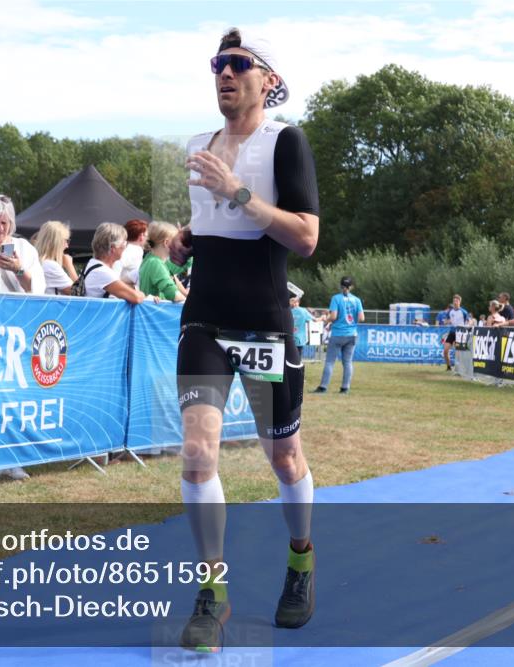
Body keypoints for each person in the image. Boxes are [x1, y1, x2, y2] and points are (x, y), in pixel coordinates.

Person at [168, 27, 320, 651]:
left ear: (266, 79)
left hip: (264, 322)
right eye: (217, 64)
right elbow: (216, 226)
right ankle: (213, 589)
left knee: (282, 457)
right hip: (204, 318)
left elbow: (305, 236)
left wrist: (238, 192)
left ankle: (301, 561)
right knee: (198, 453)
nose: (225, 74)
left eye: (238, 64)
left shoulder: (285, 141)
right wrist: (186, 237)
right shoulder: (198, 146)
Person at [315, 277, 364, 392]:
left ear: (341, 286)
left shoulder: (336, 298)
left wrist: (325, 321)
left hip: (338, 333)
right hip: (352, 334)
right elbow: (361, 318)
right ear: (351, 287)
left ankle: (323, 387)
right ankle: (345, 388)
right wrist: (351, 323)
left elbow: (333, 317)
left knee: (330, 362)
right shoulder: (357, 300)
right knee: (347, 362)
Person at [82, 223, 151, 303]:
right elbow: (136, 297)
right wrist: (142, 293)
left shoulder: (93, 264)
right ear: (112, 248)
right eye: (124, 244)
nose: (126, 247)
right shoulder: (102, 272)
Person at [139, 222, 185, 302]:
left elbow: (181, 265)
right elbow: (173, 294)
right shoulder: (156, 263)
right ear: (166, 243)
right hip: (156, 313)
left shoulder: (150, 258)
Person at [34, 220, 78, 296]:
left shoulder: (36, 261)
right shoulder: (50, 266)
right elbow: (78, 293)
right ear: (56, 242)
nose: (67, 246)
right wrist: (70, 267)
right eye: (66, 241)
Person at [439, 294, 470, 371]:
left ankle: (459, 368)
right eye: (454, 301)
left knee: (458, 352)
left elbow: (469, 321)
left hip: (460, 333)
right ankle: (449, 367)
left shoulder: (464, 312)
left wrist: (467, 326)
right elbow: (446, 321)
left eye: (457, 301)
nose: (455, 302)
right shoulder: (450, 311)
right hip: (452, 332)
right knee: (445, 351)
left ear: (460, 302)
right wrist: (446, 322)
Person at [119, 219, 148, 286]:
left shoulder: (125, 248)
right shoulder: (136, 250)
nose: (147, 238)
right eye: (146, 235)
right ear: (141, 236)